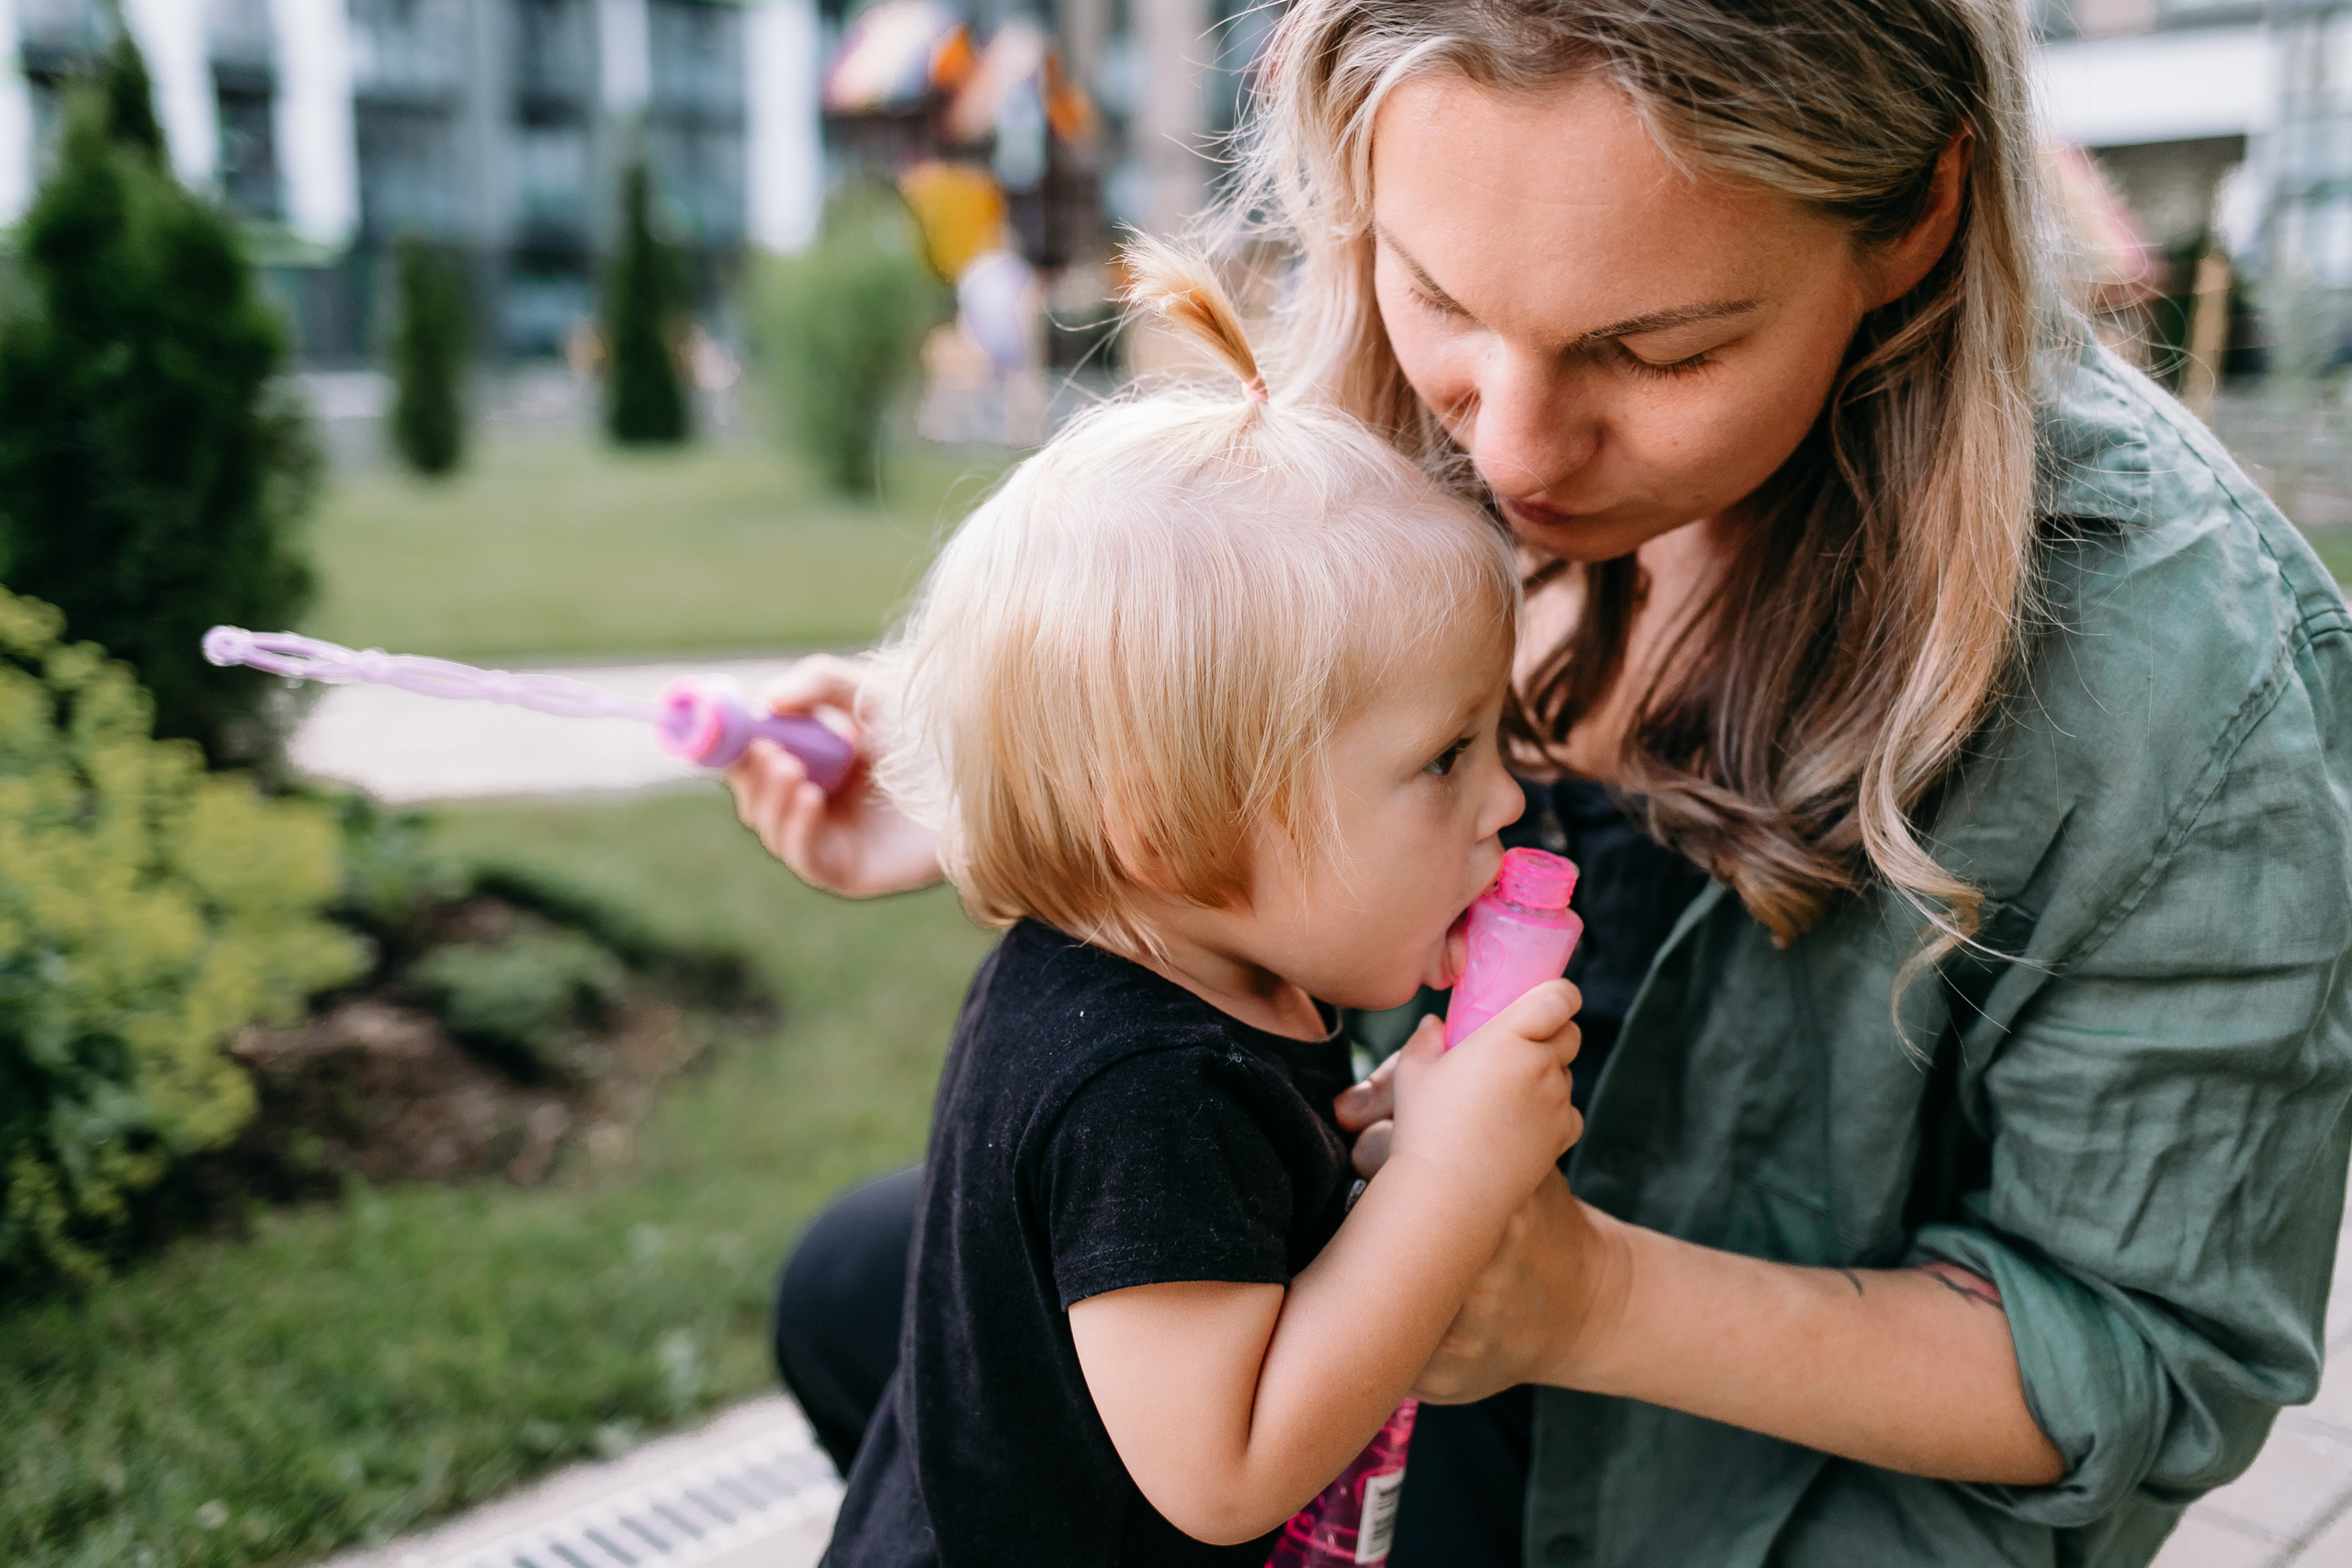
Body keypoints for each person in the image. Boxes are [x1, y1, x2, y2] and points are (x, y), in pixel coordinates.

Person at [732, 2, 2352, 1562]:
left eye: (1656, 350)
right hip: (1419, 1314)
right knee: (859, 1293)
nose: (1506, 453)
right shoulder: (1403, 451)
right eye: (1436, 294)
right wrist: (1034, 779)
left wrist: (1583, 1302)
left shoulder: (2188, 676)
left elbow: (2146, 1360)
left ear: (1917, 212)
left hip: (1742, 1489)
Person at [820, 241, 1589, 1565]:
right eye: (1445, 759)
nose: (1507, 799)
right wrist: (1454, 1179)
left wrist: (1376, 1168)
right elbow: (1225, 1472)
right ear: (1173, 828)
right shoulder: (1143, 1089)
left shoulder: (1205, 970)